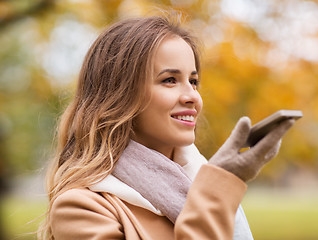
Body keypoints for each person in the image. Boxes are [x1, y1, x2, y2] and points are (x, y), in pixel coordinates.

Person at [38, 13, 294, 240]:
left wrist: (220, 184)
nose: (192, 96)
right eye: (170, 80)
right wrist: (218, 188)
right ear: (119, 95)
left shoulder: (198, 177)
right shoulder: (80, 208)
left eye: (193, 81)